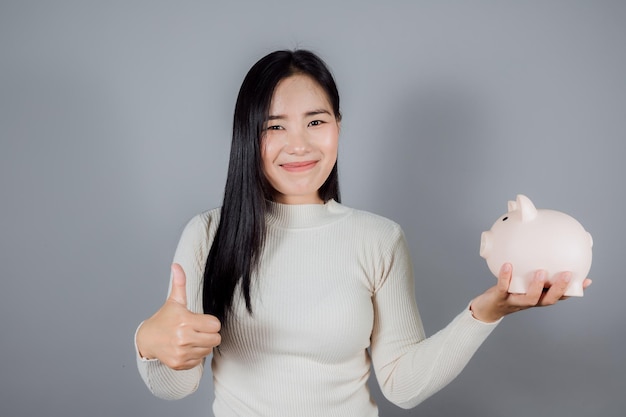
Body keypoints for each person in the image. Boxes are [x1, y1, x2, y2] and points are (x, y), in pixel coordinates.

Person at [134, 49, 590, 416]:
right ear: (248, 136)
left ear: (338, 127)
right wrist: (149, 342)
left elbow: (403, 386)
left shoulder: (378, 239)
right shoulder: (209, 233)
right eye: (275, 127)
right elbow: (176, 386)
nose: (299, 145)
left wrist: (486, 312)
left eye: (316, 121)